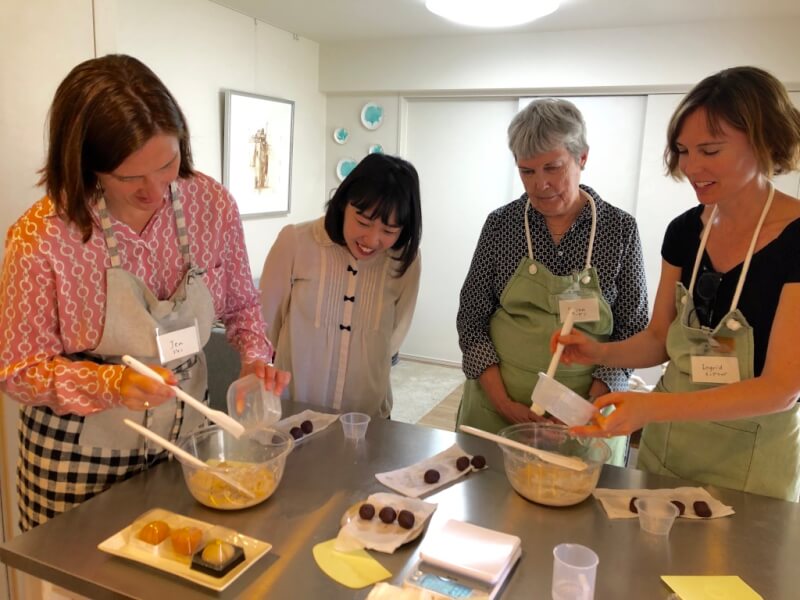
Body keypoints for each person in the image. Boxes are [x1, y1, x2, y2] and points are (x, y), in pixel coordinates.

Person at [0, 54, 290, 531]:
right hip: (78, 463)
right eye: (130, 178)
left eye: (168, 164)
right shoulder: (43, 236)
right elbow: (18, 371)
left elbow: (240, 305)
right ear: (86, 164)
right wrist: (110, 385)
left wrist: (255, 358)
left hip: (187, 444)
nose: (155, 190)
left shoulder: (210, 204)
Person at [558, 66, 800, 501]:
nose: (690, 167)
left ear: (764, 142)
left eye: (709, 150)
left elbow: (782, 389)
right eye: (684, 151)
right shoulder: (686, 231)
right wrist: (599, 352)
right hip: (669, 448)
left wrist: (653, 407)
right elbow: (658, 339)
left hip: (751, 464)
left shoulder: (796, 239)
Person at [456, 98, 649, 466]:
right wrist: (503, 402)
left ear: (582, 159)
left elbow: (633, 329)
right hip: (497, 410)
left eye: (553, 167)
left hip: (583, 419)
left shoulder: (618, 229)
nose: (540, 184)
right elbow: (472, 318)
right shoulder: (502, 225)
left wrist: (582, 408)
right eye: (527, 171)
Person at [259, 153, 422, 417]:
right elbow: (266, 323)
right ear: (343, 203)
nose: (372, 239)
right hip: (295, 410)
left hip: (367, 416)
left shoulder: (405, 260)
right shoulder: (296, 242)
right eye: (363, 222)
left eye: (389, 231)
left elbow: (396, 329)